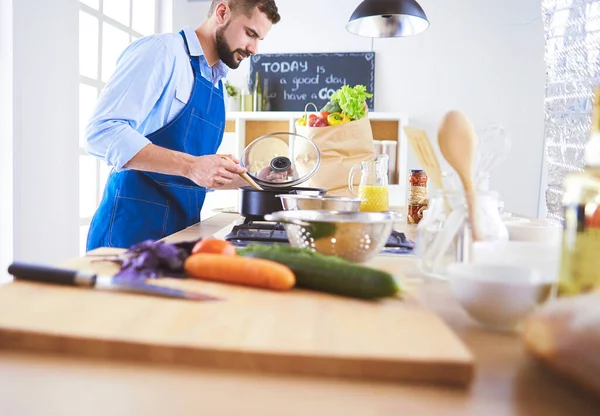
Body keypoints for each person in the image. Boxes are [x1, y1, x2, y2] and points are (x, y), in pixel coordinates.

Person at [84, 0, 281, 250]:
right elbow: (101, 132)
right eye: (250, 33)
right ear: (222, 12)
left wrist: (252, 179)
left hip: (181, 236)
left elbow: (196, 175)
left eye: (259, 39)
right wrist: (192, 166)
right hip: (129, 234)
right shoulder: (162, 52)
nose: (254, 49)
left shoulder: (217, 83)